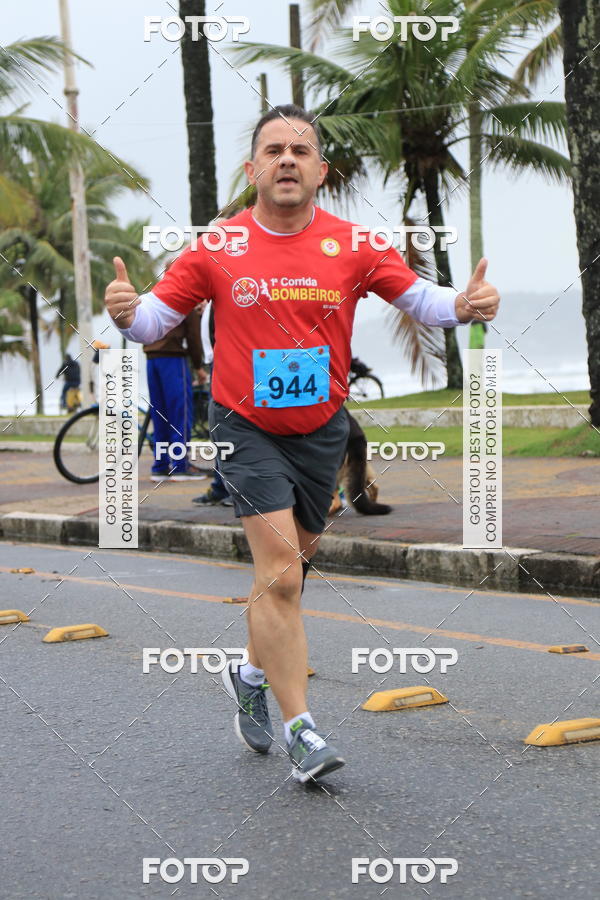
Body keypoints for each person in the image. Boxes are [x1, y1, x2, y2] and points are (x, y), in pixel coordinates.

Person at [104, 104, 500, 784]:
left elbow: (421, 300)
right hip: (243, 428)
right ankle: (304, 731)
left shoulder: (354, 245)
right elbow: (153, 321)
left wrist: (465, 304)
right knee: (282, 573)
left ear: (320, 171)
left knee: (294, 570)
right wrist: (126, 310)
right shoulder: (217, 247)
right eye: (273, 149)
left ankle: (250, 675)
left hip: (322, 432)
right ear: (254, 168)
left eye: (300, 150)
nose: (287, 159)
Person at [142, 301, 207, 481]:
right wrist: (198, 366)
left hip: (151, 359)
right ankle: (180, 466)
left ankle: (160, 466)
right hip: (173, 359)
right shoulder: (186, 299)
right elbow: (194, 336)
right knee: (180, 414)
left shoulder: (156, 298)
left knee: (160, 415)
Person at [192, 300, 233, 506]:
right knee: (218, 430)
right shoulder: (210, 305)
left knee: (228, 428)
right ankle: (220, 487)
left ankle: (231, 490)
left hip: (227, 363)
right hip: (216, 364)